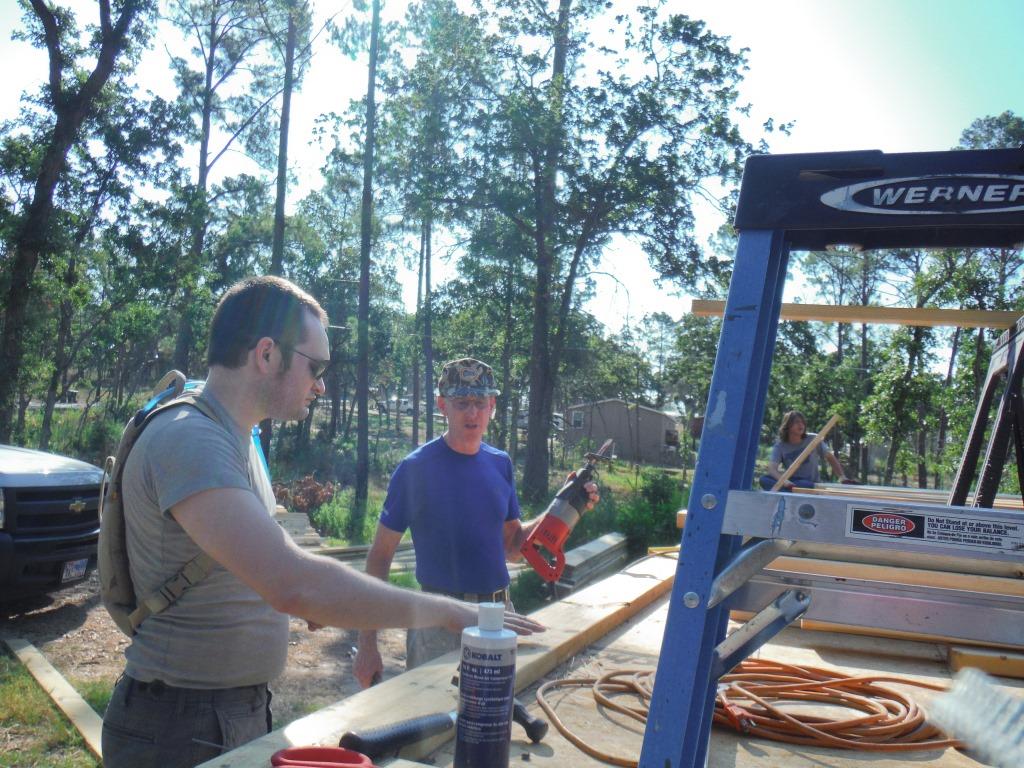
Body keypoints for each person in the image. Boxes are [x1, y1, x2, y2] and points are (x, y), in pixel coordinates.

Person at [100, 279, 542, 768]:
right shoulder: (192, 440)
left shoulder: (235, 438)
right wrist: (450, 612)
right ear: (267, 354)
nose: (321, 385)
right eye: (316, 366)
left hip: (217, 713)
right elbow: (294, 584)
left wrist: (326, 597)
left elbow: (270, 570)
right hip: (179, 725)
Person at [353, 358, 598, 689]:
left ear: (492, 406)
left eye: (480, 403)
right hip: (437, 620)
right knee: (429, 714)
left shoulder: (500, 464)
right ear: (443, 405)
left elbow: (513, 547)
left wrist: (565, 506)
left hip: (498, 613)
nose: (472, 413)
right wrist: (367, 645)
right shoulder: (416, 469)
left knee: (497, 713)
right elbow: (380, 556)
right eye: (462, 403)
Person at [759, 410, 849, 491]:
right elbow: (772, 469)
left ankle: (787, 491)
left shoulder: (813, 439)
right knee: (764, 479)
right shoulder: (780, 446)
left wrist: (842, 477)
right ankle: (790, 491)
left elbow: (830, 458)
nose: (801, 425)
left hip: (809, 482)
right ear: (788, 425)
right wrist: (784, 481)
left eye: (803, 422)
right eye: (797, 422)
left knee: (804, 484)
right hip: (791, 481)